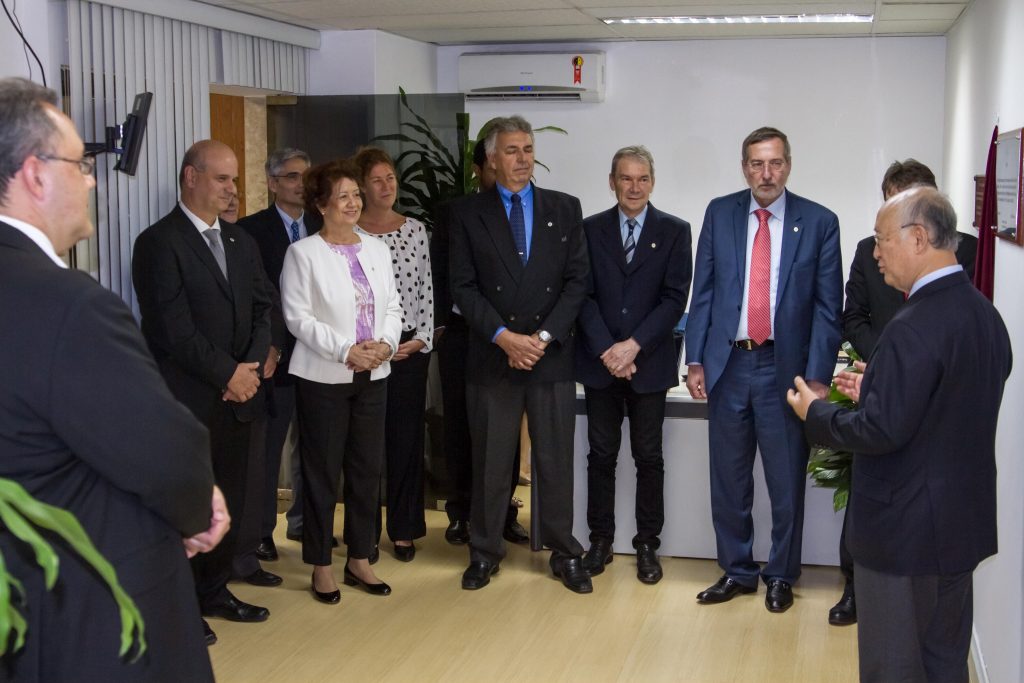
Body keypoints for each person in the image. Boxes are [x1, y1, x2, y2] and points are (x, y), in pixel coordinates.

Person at [0, 76, 225, 679]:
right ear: (35, 175)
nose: (92, 180)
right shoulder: (68, 305)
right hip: (86, 605)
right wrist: (198, 509)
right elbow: (163, 451)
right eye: (81, 164)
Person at [787, 187, 1011, 683]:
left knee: (894, 668)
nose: (875, 252)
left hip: (905, 537)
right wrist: (881, 382)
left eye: (882, 238)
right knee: (944, 664)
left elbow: (879, 430)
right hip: (958, 528)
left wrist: (815, 413)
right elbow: (951, 399)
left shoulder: (912, 325)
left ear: (918, 238)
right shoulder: (984, 315)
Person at [685, 126, 843, 612]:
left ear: (788, 165)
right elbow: (703, 291)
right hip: (728, 364)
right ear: (744, 168)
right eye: (757, 164)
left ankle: (780, 574)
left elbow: (827, 308)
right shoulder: (720, 213)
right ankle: (737, 570)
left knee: (785, 480)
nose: (766, 173)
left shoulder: (819, 221)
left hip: (786, 369)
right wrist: (695, 359)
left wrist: (817, 378)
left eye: (775, 163)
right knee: (728, 478)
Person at [132, 139, 274, 642]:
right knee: (188, 507)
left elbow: (263, 308)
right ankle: (180, 607)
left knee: (227, 501)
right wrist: (229, 374)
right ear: (191, 177)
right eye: (222, 178)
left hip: (239, 398)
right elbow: (171, 330)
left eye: (234, 179)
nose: (232, 189)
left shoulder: (240, 241)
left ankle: (215, 591)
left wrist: (248, 369)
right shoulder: (159, 242)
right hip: (188, 399)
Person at [830, 158, 978, 626]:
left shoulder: (969, 254)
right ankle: (855, 586)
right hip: (876, 373)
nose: (881, 247)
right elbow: (853, 317)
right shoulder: (867, 252)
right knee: (868, 488)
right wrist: (883, 362)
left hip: (931, 406)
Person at [449, 115, 592, 593]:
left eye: (528, 149)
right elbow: (463, 287)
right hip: (494, 355)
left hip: (550, 355)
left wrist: (542, 338)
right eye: (511, 151)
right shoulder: (467, 213)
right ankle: (484, 551)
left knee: (554, 460)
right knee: (491, 461)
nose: (522, 159)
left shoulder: (564, 207)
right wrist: (504, 337)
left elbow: (577, 281)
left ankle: (564, 552)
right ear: (492, 158)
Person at [280, 160, 402, 603]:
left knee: (367, 471)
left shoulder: (377, 249)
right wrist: (346, 349)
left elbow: (393, 307)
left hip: (375, 373)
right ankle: (320, 565)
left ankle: (360, 559)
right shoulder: (303, 253)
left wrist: (385, 344)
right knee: (322, 473)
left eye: (355, 195)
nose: (353, 203)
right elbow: (298, 318)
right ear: (321, 205)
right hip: (324, 378)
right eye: (343, 196)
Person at [577, 145, 691, 584]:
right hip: (600, 363)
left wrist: (633, 347)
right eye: (626, 178)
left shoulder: (675, 231)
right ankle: (600, 540)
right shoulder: (589, 230)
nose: (634, 187)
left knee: (649, 457)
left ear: (652, 183)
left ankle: (647, 544)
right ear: (612, 182)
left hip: (649, 364)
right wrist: (609, 349)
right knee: (601, 456)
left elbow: (674, 298)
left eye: (642, 179)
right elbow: (582, 294)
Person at [431, 136, 529, 547]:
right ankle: (460, 512)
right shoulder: (456, 212)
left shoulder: (526, 212)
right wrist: (439, 325)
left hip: (509, 336)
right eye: (493, 166)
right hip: (462, 334)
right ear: (480, 168)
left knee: (505, 429)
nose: (502, 172)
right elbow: (442, 273)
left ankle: (503, 512)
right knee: (460, 426)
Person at [238, 148, 322, 560]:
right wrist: (269, 346)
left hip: (321, 355)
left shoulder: (324, 225)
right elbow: (256, 297)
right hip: (276, 356)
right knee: (268, 450)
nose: (301, 184)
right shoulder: (249, 230)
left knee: (315, 448)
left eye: (306, 176)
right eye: (291, 176)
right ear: (272, 183)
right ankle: (261, 531)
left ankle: (306, 523)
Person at [353, 147, 434, 562]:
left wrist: (422, 338)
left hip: (407, 348)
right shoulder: (349, 233)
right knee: (364, 446)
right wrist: (368, 346)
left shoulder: (415, 229)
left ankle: (404, 529)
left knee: (405, 442)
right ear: (362, 187)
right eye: (377, 180)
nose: (387, 186)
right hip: (364, 350)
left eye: (391, 178)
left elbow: (426, 289)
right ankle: (362, 535)